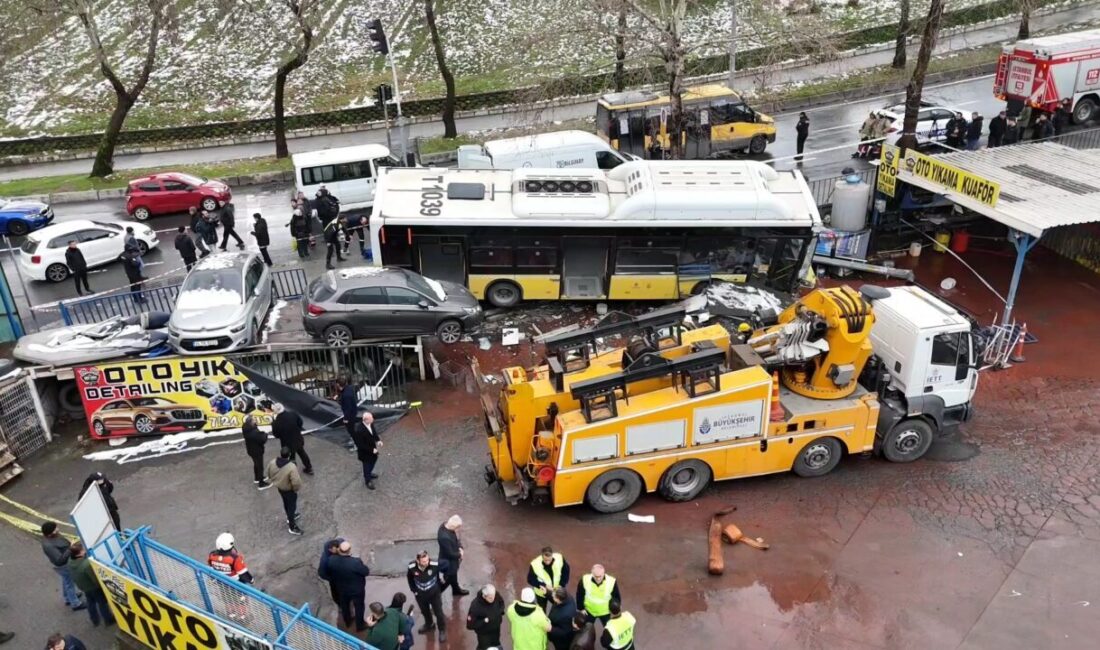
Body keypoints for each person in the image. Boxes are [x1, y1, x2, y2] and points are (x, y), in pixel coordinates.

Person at [66, 542, 114, 628]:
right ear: (79, 553)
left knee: (90, 602)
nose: (84, 551)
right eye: (83, 550)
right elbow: (95, 578)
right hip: (93, 587)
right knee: (102, 603)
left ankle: (94, 619)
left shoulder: (70, 561)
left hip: (83, 586)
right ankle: (108, 619)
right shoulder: (86, 564)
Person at [328, 540, 371, 631]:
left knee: (345, 606)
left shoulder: (332, 560)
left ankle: (347, 621)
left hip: (342, 589)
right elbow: (366, 571)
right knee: (359, 607)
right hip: (356, 590)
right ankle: (359, 625)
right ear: (349, 550)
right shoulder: (355, 562)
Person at [40, 522, 84, 611]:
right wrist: (70, 548)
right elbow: (59, 560)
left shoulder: (51, 538)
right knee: (69, 583)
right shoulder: (49, 545)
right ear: (50, 533)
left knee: (66, 580)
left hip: (64, 564)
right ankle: (75, 603)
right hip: (64, 565)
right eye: (55, 529)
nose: (58, 529)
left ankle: (68, 598)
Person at [407, 550, 447, 642]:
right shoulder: (412, 566)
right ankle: (429, 624)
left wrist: (444, 580)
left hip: (434, 594)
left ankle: (442, 630)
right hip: (420, 595)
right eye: (424, 561)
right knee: (425, 611)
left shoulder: (434, 564)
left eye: (427, 560)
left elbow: (447, 567)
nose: (426, 562)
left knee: (439, 613)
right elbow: (409, 578)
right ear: (418, 561)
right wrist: (414, 590)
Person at [266, 447, 303, 535]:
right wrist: (295, 489)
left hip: (280, 488)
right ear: (289, 455)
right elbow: (296, 481)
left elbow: (268, 472)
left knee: (286, 503)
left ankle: (289, 516)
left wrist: (274, 481)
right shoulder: (291, 467)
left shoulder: (273, 462)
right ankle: (292, 526)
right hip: (289, 490)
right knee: (291, 506)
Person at [272, 403, 312, 474]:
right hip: (297, 439)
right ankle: (309, 468)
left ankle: (293, 472)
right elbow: (300, 422)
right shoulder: (293, 414)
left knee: (291, 458)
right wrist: (297, 430)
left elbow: (276, 435)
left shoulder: (276, 422)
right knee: (302, 453)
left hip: (286, 443)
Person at [437, 515, 468, 596]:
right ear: (453, 526)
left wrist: (460, 547)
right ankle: (436, 594)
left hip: (452, 560)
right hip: (448, 562)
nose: (457, 530)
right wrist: (460, 554)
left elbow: (455, 539)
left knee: (454, 576)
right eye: (457, 527)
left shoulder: (446, 525)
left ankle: (456, 590)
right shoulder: (444, 537)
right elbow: (450, 554)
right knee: (448, 579)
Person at [466, 584, 505, 650]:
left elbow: (501, 603)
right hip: (484, 633)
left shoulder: (495, 594)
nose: (493, 599)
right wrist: (484, 621)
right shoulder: (475, 606)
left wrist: (499, 612)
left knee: (496, 643)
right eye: (490, 598)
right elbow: (470, 625)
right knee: (484, 647)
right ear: (484, 596)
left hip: (496, 629)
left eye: (494, 596)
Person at [353, 411, 382, 490]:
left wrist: (378, 440)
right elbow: (360, 445)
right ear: (366, 420)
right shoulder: (359, 430)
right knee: (367, 465)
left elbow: (374, 433)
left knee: (374, 460)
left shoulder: (370, 423)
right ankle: (367, 480)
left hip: (372, 448)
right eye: (371, 418)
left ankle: (369, 473)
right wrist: (372, 450)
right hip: (365, 452)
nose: (373, 419)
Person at [242, 414, 271, 490]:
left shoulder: (245, 427)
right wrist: (265, 434)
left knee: (256, 464)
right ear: (251, 422)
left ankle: (257, 478)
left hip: (251, 450)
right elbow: (262, 439)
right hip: (257, 450)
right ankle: (261, 483)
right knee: (260, 466)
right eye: (254, 419)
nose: (256, 420)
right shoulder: (253, 432)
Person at [318, 537, 344, 607]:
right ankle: (340, 604)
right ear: (330, 549)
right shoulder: (325, 561)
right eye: (337, 548)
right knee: (336, 592)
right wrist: (333, 579)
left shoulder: (339, 542)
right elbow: (321, 574)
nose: (339, 549)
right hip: (334, 578)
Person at [336, 377, 359, 449]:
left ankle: (357, 444)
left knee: (351, 429)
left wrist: (346, 418)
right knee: (351, 428)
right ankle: (354, 439)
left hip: (350, 415)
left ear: (338, 385)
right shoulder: (349, 388)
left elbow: (348, 408)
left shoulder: (346, 395)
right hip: (353, 412)